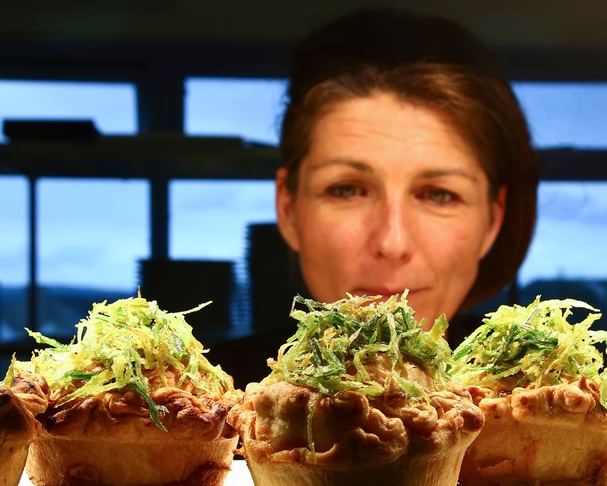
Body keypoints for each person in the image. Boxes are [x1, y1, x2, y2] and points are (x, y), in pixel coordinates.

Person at [212, 8, 538, 386]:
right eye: (346, 190)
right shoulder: (200, 406)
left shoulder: (574, 400)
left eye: (439, 195)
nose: (392, 242)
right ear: (287, 209)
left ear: (492, 221)